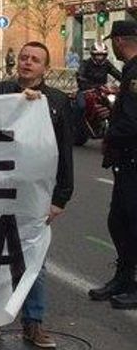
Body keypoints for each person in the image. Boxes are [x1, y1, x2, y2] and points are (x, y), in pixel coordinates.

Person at [0, 41, 73, 347]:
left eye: (35, 60)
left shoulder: (57, 100)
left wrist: (61, 198)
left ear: (45, 68)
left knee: (34, 259)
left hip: (35, 194)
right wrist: (17, 103)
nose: (27, 63)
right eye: (23, 57)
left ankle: (33, 323)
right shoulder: (0, 92)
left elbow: (64, 151)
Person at [90, 20, 137, 310]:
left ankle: (131, 282)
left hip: (132, 157)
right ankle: (123, 277)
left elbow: (134, 121)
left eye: (113, 43)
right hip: (127, 159)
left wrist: (110, 131)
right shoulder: (131, 70)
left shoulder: (135, 71)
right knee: (119, 221)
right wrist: (112, 111)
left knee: (130, 223)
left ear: (119, 41)